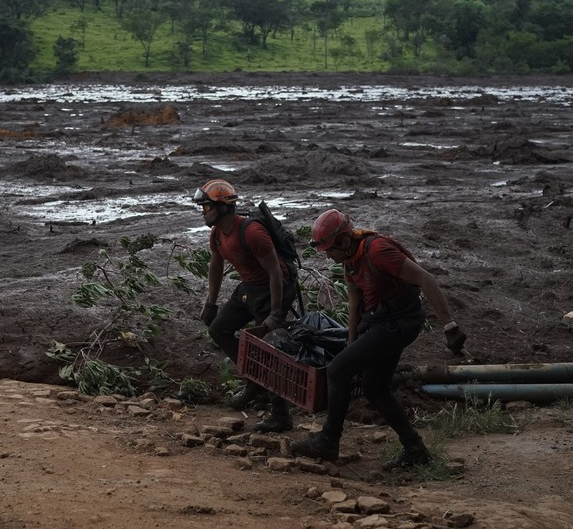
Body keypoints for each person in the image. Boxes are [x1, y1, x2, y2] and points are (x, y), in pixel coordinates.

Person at [291, 209, 468, 469]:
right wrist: (352, 341)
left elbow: (425, 278)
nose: (328, 256)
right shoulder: (350, 259)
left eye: (330, 249)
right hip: (378, 322)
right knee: (374, 387)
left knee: (337, 370)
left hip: (398, 322)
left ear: (343, 240)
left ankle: (328, 441)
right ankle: (415, 449)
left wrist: (449, 326)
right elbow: (354, 301)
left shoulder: (377, 251)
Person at [192, 179, 298, 433]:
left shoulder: (251, 232)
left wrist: (275, 313)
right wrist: (211, 303)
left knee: (271, 347)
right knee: (219, 330)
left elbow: (275, 272)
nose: (203, 212)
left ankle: (280, 414)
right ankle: (255, 380)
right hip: (249, 287)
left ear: (223, 208)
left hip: (275, 288)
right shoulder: (216, 234)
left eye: (206, 207)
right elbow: (215, 267)